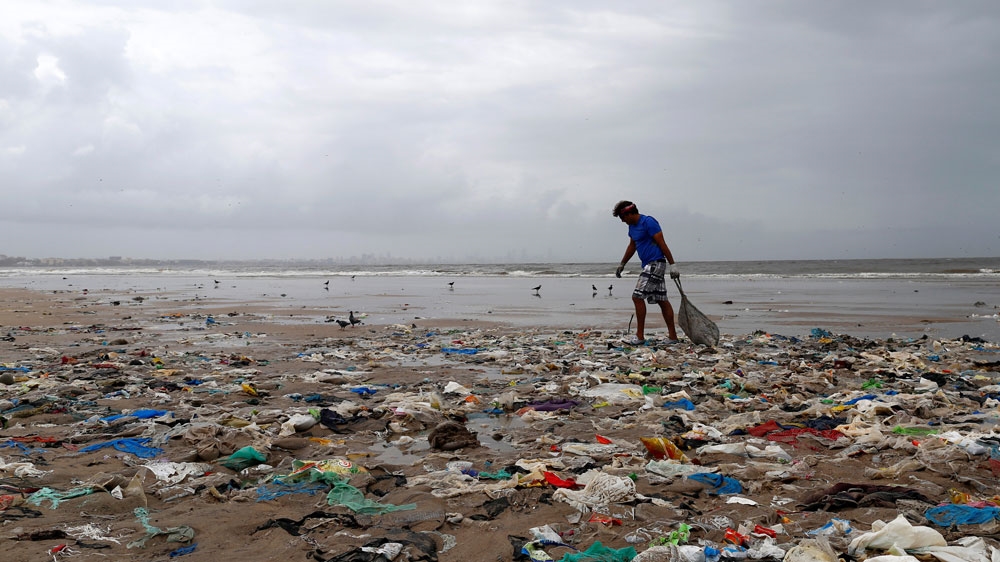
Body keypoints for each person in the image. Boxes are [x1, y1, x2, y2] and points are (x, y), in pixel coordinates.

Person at [612, 200, 680, 345]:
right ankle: (673, 337)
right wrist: (622, 264)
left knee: (637, 297)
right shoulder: (632, 228)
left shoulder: (648, 222)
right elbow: (632, 246)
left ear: (630, 213)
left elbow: (662, 243)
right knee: (662, 300)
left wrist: (673, 265)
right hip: (648, 265)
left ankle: (640, 336)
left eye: (623, 218)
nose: (623, 221)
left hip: (655, 263)